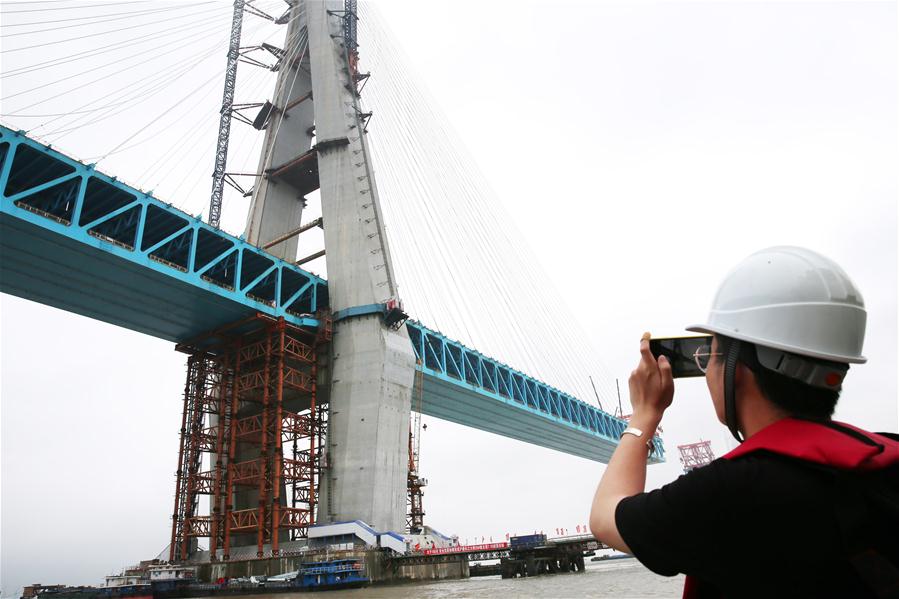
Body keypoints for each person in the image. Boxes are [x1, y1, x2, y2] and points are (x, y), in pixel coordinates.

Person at [589, 246, 899, 599]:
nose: (707, 372)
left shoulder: (729, 491)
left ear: (738, 372)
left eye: (711, 356)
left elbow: (605, 517)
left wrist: (645, 413)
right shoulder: (885, 457)